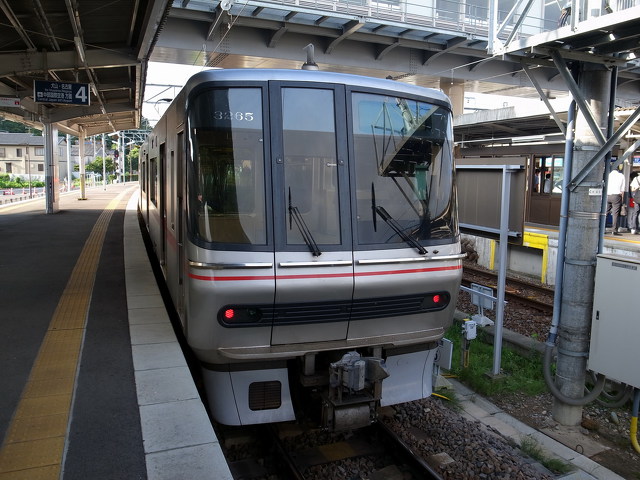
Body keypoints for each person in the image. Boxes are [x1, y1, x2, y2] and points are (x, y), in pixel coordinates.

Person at [606, 166, 625, 235]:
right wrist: (622, 200)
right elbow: (622, 190)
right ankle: (614, 230)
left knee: (605, 212)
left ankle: (602, 228)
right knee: (615, 213)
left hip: (607, 195)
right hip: (616, 196)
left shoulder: (608, 175)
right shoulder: (621, 176)